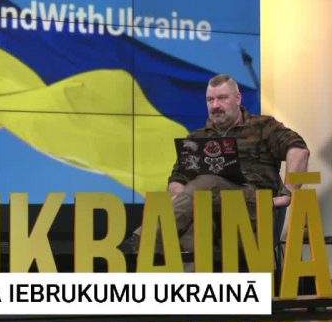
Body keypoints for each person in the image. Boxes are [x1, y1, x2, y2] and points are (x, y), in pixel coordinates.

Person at [124, 74, 309, 253]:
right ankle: (167, 271)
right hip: (211, 217)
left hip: (254, 212)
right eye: (210, 100)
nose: (215, 105)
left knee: (207, 183)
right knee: (193, 225)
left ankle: (142, 241)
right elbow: (177, 180)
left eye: (222, 98)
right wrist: (185, 200)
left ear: (238, 98)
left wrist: (289, 192)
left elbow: (299, 151)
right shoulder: (197, 138)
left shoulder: (263, 126)